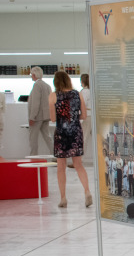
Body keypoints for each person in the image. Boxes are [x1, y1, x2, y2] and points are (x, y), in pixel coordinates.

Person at [48, 70, 92, 208]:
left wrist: (64, 118)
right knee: (78, 165)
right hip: (75, 132)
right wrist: (73, 118)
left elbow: (53, 118)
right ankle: (87, 191)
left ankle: (63, 198)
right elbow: (84, 115)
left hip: (61, 133)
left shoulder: (53, 96)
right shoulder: (77, 94)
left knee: (61, 167)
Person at [28, 66, 53, 156]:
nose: (31, 76)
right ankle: (55, 156)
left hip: (37, 117)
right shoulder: (47, 85)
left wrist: (32, 117)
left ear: (34, 75)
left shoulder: (37, 85)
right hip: (46, 116)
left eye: (31, 74)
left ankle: (33, 156)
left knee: (33, 138)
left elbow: (36, 103)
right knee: (48, 137)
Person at [79, 74, 93, 162]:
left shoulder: (84, 92)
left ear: (82, 81)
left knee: (83, 138)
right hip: (91, 116)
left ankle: (79, 160)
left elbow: (82, 104)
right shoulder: (91, 91)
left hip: (86, 116)